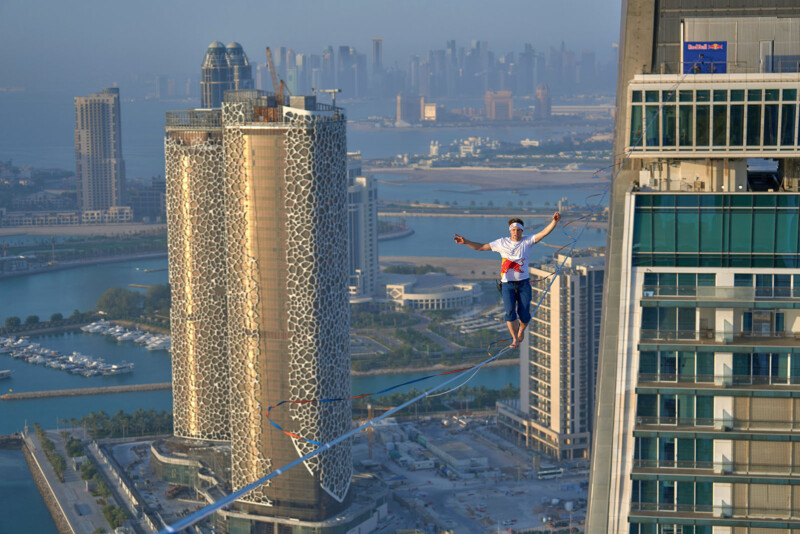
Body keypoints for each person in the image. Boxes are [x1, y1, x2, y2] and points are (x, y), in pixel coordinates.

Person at [453, 213, 561, 348]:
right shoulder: (502, 243)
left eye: (518, 230)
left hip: (523, 283)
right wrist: (466, 242)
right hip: (507, 284)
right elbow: (481, 247)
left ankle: (521, 330)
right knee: (510, 312)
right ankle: (515, 338)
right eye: (513, 230)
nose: (516, 232)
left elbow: (544, 233)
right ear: (510, 231)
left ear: (522, 231)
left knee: (524, 313)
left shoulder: (528, 241)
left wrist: (554, 222)